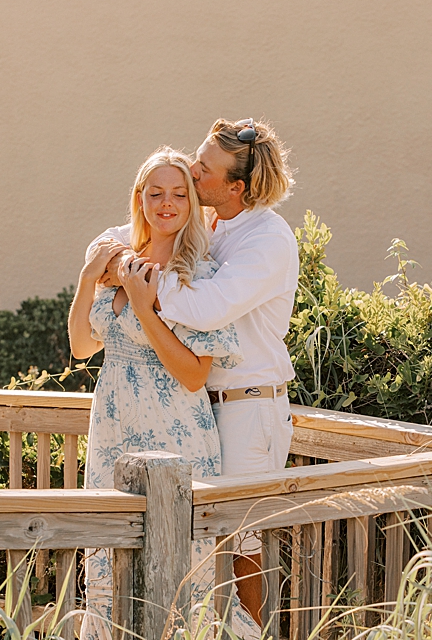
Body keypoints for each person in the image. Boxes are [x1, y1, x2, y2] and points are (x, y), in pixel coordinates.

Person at [93, 118, 298, 622]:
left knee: (242, 545)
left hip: (249, 407)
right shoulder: (216, 223)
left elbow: (206, 309)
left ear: (237, 187)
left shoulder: (267, 239)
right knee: (200, 546)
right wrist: (113, 256)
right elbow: (136, 228)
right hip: (202, 411)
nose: (190, 168)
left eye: (202, 168)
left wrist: (136, 281)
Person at [69, 148, 242, 638]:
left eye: (179, 193)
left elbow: (193, 376)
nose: (167, 203)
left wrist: (146, 307)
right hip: (113, 426)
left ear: (191, 202)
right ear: (139, 199)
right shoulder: (114, 265)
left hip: (177, 430)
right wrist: (87, 278)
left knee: (182, 570)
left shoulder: (200, 275)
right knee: (106, 565)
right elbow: (83, 346)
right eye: (156, 193)